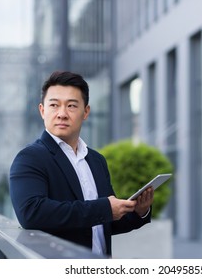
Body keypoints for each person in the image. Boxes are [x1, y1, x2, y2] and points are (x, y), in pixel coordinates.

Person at [9, 70, 153, 256]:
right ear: (42, 111)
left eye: (71, 106)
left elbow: (103, 223)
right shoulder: (29, 158)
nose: (62, 114)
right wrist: (104, 208)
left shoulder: (96, 161)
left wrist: (139, 212)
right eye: (54, 105)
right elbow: (31, 214)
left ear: (86, 112)